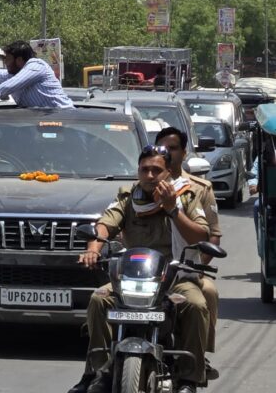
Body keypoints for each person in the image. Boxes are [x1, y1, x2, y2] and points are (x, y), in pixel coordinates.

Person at [68, 146, 211, 393]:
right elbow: (104, 225)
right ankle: (97, 372)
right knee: (98, 299)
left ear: (169, 172)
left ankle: (189, 377)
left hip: (173, 276)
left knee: (196, 305)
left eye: (157, 170)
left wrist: (172, 209)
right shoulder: (128, 198)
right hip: (132, 278)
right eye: (145, 169)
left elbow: (200, 234)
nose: (150, 175)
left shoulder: (186, 196)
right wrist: (93, 248)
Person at [155, 127, 221, 375]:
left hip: (187, 268)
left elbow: (212, 233)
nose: (167, 153)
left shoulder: (197, 188)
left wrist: (196, 265)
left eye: (173, 148)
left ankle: (198, 356)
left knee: (207, 294)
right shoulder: (142, 186)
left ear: (184, 153)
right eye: (162, 148)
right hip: (151, 271)